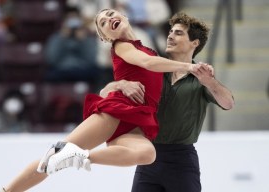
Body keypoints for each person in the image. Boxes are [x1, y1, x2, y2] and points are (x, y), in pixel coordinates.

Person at [0, 9, 204, 192]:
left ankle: (79, 157)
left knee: (147, 154)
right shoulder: (122, 46)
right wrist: (188, 66)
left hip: (137, 122)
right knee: (52, 157)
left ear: (124, 16)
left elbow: (148, 71)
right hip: (117, 112)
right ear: (105, 37)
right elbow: (147, 63)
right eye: (103, 22)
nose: (108, 18)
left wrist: (117, 83)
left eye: (110, 13)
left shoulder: (145, 48)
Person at [100, 12, 235, 192]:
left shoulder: (202, 79)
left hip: (182, 160)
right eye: (170, 31)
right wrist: (122, 84)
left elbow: (228, 103)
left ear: (194, 43)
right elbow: (103, 94)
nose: (170, 35)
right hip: (148, 157)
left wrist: (209, 82)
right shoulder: (152, 68)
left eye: (178, 33)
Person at [43, 6, 99, 83]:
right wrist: (62, 38)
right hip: (61, 70)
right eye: (69, 18)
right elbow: (52, 59)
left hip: (83, 70)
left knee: (97, 73)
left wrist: (84, 40)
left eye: (75, 18)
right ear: (64, 21)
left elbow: (91, 59)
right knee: (49, 75)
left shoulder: (87, 37)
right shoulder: (56, 37)